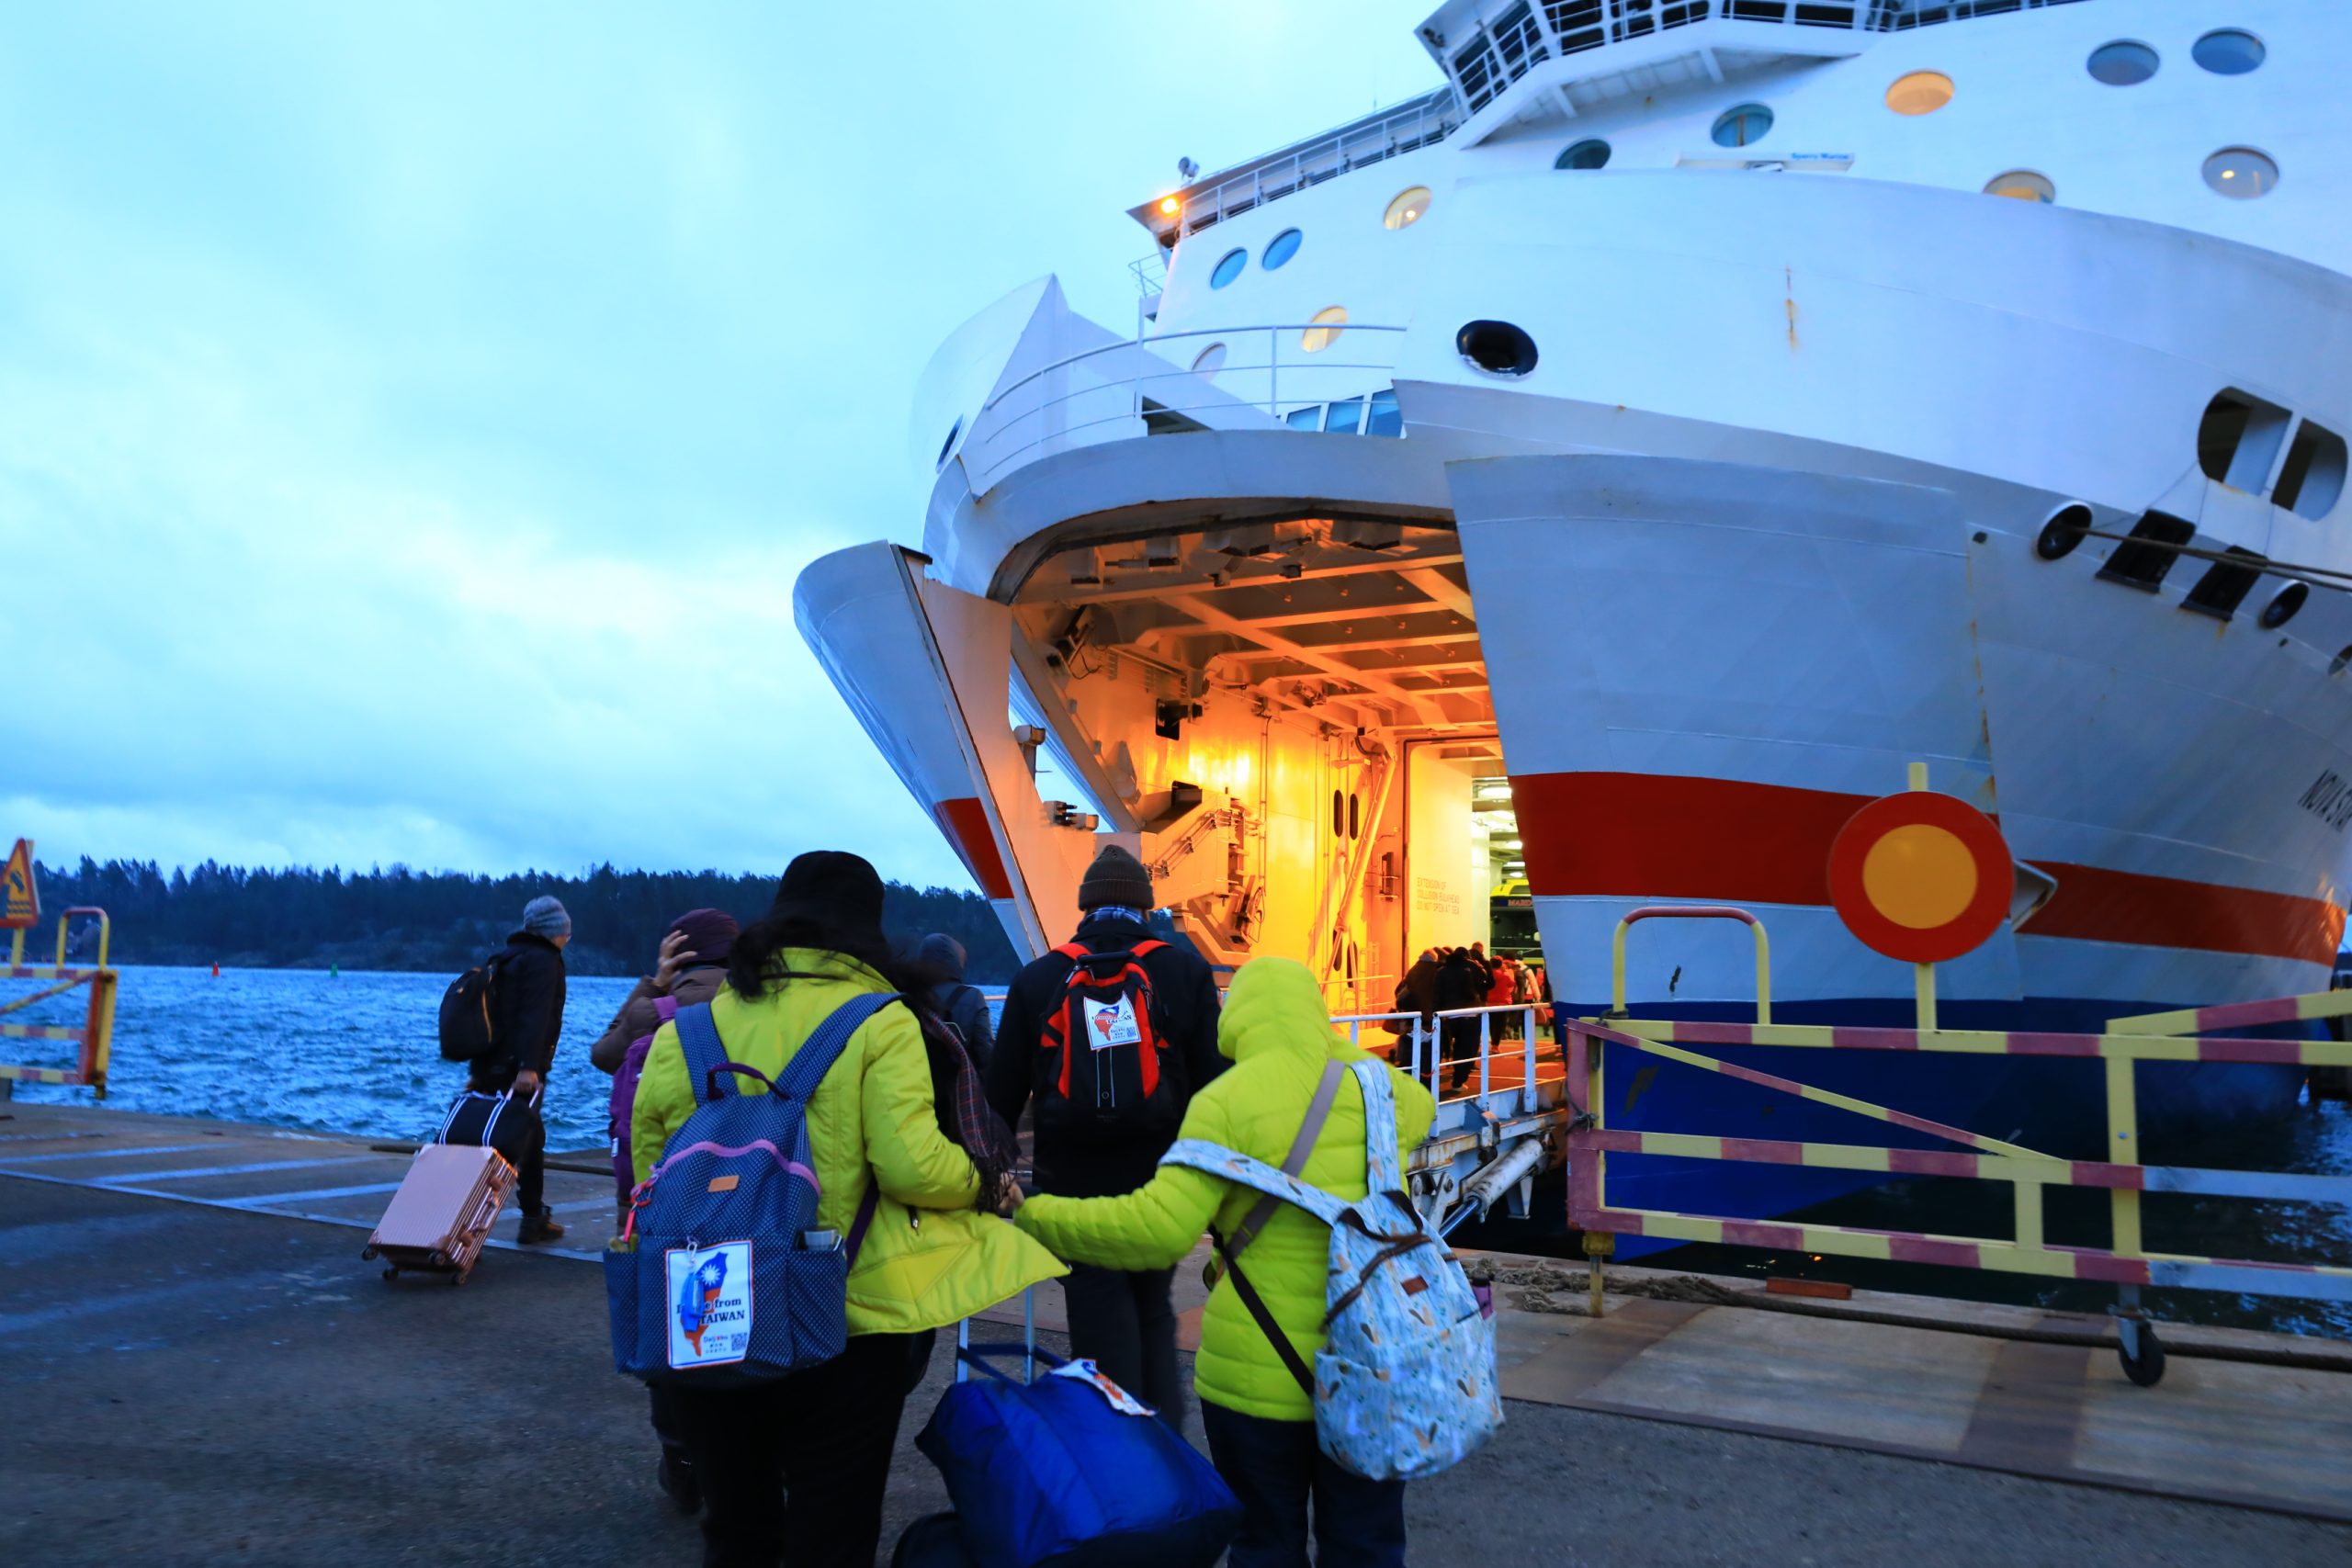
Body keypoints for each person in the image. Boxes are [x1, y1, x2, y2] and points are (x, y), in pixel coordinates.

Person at [631, 852, 1061, 1568]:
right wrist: (987, 1182)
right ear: (870, 928)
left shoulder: (688, 1030)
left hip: (709, 1302)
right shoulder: (880, 1020)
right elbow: (912, 1163)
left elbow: (652, 1168)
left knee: (735, 1524)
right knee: (833, 1522)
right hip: (841, 1312)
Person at [1003, 955, 1435, 1568]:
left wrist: (1037, 1212)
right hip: (1374, 1366)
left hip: (1256, 1375)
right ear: (1314, 1011)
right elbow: (1419, 1109)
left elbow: (1156, 1231)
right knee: (1367, 1543)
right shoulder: (1385, 1088)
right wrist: (1328, 1044)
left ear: (1237, 1022)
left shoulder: (1225, 1102)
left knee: (1265, 1543)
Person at [985, 842, 1223, 1427]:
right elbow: (1216, 1086)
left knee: (1097, 1315)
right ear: (1145, 907)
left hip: (1070, 1186)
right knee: (1152, 1309)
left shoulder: (1041, 976)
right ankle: (1165, 1454)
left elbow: (1000, 1099)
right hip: (1164, 1185)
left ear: (1085, 907)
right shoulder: (1183, 969)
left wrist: (994, 1176)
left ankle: (1119, 1470)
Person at [592, 906, 740, 1517]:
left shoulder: (653, 1015)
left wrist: (652, 984)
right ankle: (737, 1462)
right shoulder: (750, 1013)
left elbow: (603, 1054)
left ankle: (679, 1458)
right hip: (737, 1198)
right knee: (733, 1327)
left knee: (669, 1338)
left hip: (651, 1206)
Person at [474, 894, 571, 1243]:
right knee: (525, 1140)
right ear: (552, 932)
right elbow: (536, 1017)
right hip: (520, 1069)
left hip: (490, 1064)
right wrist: (530, 1067)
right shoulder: (545, 961)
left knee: (499, 1140)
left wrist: (481, 1067)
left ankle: (469, 1218)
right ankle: (531, 1218)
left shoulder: (505, 957)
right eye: (565, 931)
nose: (567, 938)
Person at [917, 931, 996, 1067]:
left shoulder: (911, 996)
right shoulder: (973, 997)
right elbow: (984, 1049)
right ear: (956, 961)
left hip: (921, 1081)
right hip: (961, 1082)